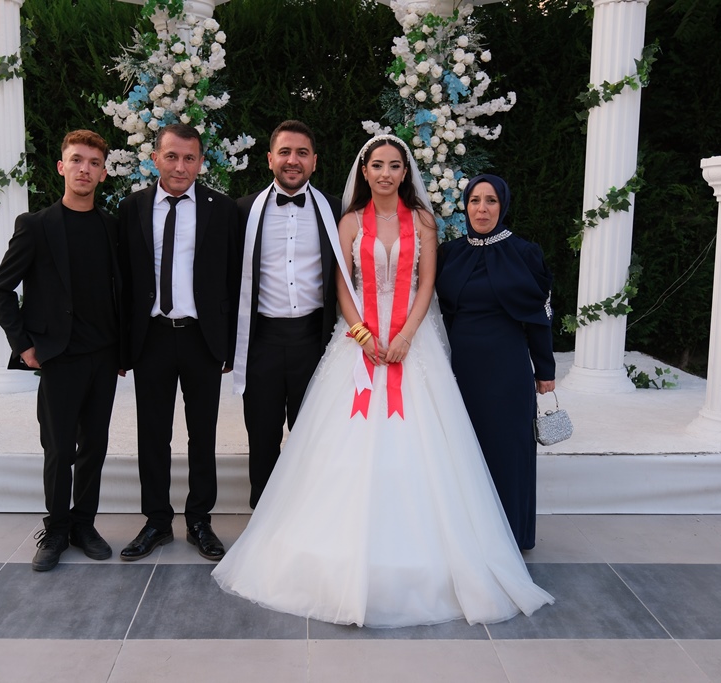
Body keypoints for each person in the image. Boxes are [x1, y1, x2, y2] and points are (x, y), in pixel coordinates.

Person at [212, 135, 553, 627]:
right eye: (378, 165)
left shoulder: (424, 222)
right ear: (365, 171)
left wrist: (407, 336)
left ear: (405, 172)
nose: (387, 174)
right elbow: (341, 282)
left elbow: (427, 282)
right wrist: (361, 334)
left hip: (412, 344)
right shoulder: (349, 221)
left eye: (395, 166)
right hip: (360, 343)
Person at [0, 129, 121, 572]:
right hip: (58, 356)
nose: (85, 168)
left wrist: (123, 351)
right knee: (60, 448)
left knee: (94, 446)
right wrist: (24, 345)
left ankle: (84, 525)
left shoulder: (111, 227)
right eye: (77, 160)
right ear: (62, 167)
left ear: (103, 174)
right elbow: (2, 288)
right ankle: (57, 529)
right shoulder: (36, 226)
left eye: (94, 163)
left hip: (103, 355)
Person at [117, 123, 240, 562]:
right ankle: (156, 521)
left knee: (202, 434)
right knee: (152, 434)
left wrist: (229, 343)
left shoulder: (221, 209)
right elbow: (122, 281)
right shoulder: (132, 208)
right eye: (171, 156)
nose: (180, 166)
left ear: (201, 162)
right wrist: (122, 346)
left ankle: (199, 520)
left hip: (201, 338)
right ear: (155, 158)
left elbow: (234, 278)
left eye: (190, 158)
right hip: (151, 336)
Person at [435, 173, 556, 551]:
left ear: (502, 206)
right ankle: (469, 536)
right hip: (460, 369)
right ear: (465, 206)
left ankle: (510, 535)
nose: (482, 209)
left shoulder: (524, 253)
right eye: (475, 201)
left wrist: (545, 369)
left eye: (490, 201)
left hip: (507, 368)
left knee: (507, 450)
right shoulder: (451, 253)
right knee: (463, 449)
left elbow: (539, 316)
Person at [233, 120, 342, 509]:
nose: (292, 160)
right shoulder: (242, 211)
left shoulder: (337, 210)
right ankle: (264, 517)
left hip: (315, 342)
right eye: (284, 152)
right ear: (269, 159)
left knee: (313, 435)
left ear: (314, 161)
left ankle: (309, 514)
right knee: (262, 435)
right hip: (260, 341)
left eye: (301, 153)